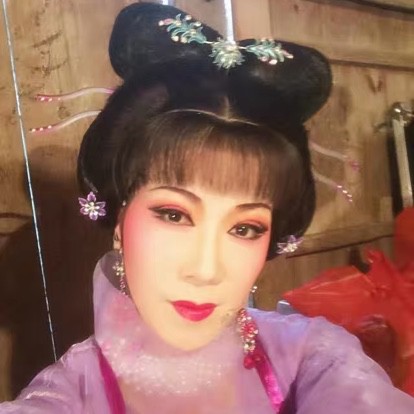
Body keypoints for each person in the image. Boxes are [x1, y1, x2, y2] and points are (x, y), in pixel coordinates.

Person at [1, 2, 414, 413]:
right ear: (120, 221)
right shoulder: (68, 395)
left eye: (245, 228)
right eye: (174, 214)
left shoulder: (315, 357)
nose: (206, 270)